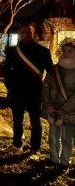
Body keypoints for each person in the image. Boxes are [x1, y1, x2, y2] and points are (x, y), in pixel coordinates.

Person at [4, 24, 53, 155]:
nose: (26, 34)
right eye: (23, 32)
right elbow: (7, 71)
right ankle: (17, 144)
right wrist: (9, 87)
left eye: (28, 32)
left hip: (34, 92)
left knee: (35, 121)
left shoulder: (43, 51)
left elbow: (51, 72)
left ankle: (35, 148)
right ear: (20, 34)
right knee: (17, 120)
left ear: (33, 33)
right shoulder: (13, 51)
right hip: (17, 91)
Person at [42, 41, 75, 174]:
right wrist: (48, 105)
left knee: (67, 137)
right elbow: (46, 87)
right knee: (53, 136)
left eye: (70, 51)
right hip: (53, 110)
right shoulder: (54, 69)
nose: (65, 54)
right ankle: (54, 159)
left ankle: (64, 162)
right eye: (64, 50)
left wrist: (64, 110)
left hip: (69, 112)